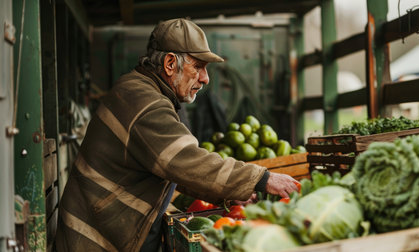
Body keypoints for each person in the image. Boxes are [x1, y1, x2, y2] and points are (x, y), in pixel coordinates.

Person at [55, 18, 299, 252]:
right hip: (95, 241)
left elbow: (173, 169)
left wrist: (229, 192)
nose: (205, 78)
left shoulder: (141, 90)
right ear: (170, 64)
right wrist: (261, 179)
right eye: (198, 67)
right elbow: (186, 160)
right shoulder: (145, 103)